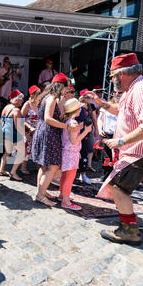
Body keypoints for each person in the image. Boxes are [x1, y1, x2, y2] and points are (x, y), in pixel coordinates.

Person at [88, 53, 143, 245]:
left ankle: (129, 230)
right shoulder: (137, 87)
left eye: (112, 76)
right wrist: (101, 103)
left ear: (121, 74)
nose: (112, 81)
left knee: (117, 187)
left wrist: (121, 141)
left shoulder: (141, 90)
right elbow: (122, 111)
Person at [31, 73, 78, 206]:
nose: (66, 90)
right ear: (60, 86)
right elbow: (48, 118)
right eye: (65, 87)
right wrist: (66, 126)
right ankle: (40, 195)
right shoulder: (51, 98)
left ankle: (41, 192)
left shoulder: (47, 97)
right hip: (49, 134)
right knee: (52, 166)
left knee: (44, 166)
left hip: (44, 132)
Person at [59, 98, 93, 210]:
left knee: (64, 176)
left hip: (66, 151)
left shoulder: (68, 120)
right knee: (70, 177)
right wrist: (86, 131)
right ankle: (66, 201)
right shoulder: (74, 122)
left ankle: (62, 196)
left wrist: (81, 128)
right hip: (71, 152)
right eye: (79, 108)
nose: (81, 110)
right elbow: (74, 141)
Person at [0, 89, 26, 181]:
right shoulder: (17, 110)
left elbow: (2, 121)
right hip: (14, 134)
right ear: (17, 100)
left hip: (5, 132)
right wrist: (26, 135)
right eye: (21, 99)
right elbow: (18, 126)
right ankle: (13, 172)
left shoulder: (6, 107)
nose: (22, 100)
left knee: (7, 152)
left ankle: (1, 170)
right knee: (22, 153)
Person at [75, 89, 98, 184]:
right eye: (88, 97)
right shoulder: (76, 105)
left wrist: (96, 129)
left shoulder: (90, 106)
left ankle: (83, 174)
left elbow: (94, 118)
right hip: (77, 131)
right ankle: (72, 174)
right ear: (82, 97)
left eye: (90, 97)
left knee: (85, 151)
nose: (90, 99)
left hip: (87, 131)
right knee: (75, 153)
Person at [97, 92, 120, 181]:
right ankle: (106, 175)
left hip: (118, 136)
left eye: (120, 93)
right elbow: (100, 119)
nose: (117, 95)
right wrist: (99, 129)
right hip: (106, 134)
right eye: (116, 93)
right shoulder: (107, 105)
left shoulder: (124, 106)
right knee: (106, 156)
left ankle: (117, 177)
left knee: (118, 157)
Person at [20, 85, 42, 174]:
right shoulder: (27, 104)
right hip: (27, 129)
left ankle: (37, 166)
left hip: (37, 129)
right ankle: (23, 167)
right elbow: (21, 118)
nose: (41, 95)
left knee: (37, 147)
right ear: (34, 94)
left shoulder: (39, 104)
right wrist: (29, 127)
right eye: (39, 93)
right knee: (26, 146)